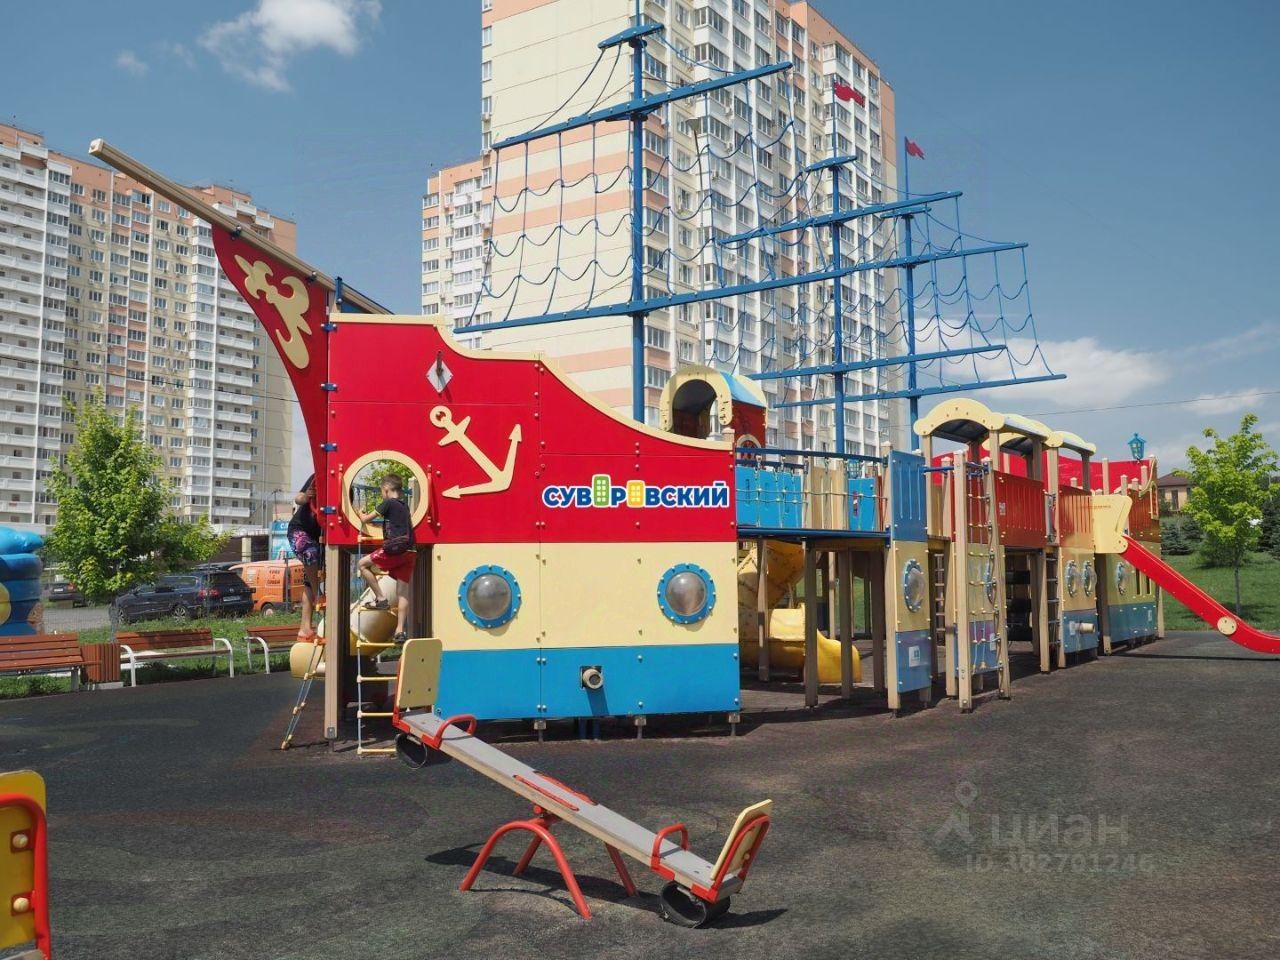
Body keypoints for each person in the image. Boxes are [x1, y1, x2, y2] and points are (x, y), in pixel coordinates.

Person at [356, 473, 415, 642]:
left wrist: (360, 513)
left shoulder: (388, 503)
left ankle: (381, 599)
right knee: (403, 592)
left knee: (362, 564)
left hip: (394, 549)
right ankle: (400, 631)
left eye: (382, 491)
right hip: (410, 552)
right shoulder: (404, 506)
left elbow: (366, 519)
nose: (382, 494)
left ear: (386, 489)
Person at [287, 474, 323, 640]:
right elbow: (299, 498)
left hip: (319, 537)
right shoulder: (318, 476)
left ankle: (305, 628)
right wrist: (307, 496)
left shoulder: (346, 488)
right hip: (299, 530)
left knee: (310, 579)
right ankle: (318, 595)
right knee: (310, 553)